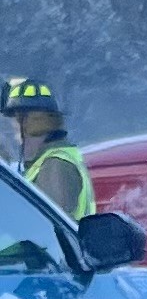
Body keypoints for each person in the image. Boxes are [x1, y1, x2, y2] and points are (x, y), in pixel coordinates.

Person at [2, 78, 96, 219]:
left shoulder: (55, 165)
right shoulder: (45, 161)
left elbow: (46, 225)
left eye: (15, 120)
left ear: (27, 122)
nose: (13, 129)